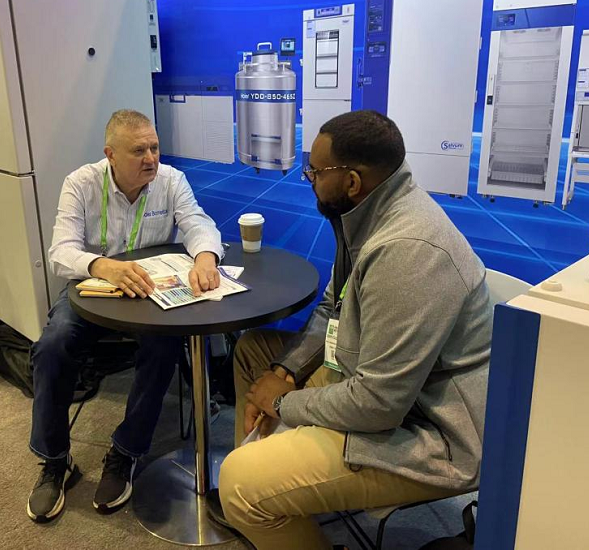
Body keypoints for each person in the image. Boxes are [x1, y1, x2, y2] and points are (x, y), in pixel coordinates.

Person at [210, 110, 492, 549]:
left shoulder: (407, 252)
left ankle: (254, 496)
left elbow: (378, 405)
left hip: (431, 433)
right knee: (255, 352)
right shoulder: (367, 214)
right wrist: (283, 372)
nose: (309, 180)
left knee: (239, 486)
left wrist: (282, 402)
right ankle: (274, 494)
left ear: (352, 181)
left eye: (315, 172)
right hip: (376, 385)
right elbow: (334, 307)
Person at [27, 109, 223, 523]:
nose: (151, 158)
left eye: (154, 147)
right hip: (94, 290)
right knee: (52, 345)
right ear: (110, 154)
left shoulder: (171, 181)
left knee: (164, 345)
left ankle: (125, 452)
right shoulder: (81, 183)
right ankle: (55, 460)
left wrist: (206, 256)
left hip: (149, 291)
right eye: (138, 151)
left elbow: (197, 223)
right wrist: (103, 266)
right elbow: (60, 252)